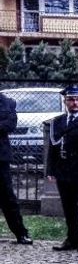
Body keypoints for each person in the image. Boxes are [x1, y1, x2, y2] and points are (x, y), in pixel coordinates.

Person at [46, 85, 78, 251]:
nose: (74, 103)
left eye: (77, 99)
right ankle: (72, 238)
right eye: (70, 99)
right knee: (68, 207)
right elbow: (52, 148)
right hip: (63, 169)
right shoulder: (58, 121)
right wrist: (50, 170)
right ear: (65, 101)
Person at [0, 89, 32, 245]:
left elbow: (10, 124)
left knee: (7, 197)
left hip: (0, 157)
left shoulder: (7, 102)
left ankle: (21, 233)